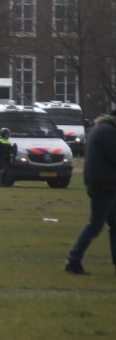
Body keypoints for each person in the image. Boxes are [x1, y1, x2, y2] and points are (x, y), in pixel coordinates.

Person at [65, 109, 116, 275]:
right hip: (104, 184)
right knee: (95, 225)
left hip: (102, 183)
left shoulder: (101, 129)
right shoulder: (108, 132)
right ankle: (73, 259)